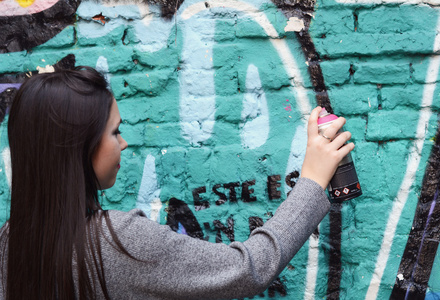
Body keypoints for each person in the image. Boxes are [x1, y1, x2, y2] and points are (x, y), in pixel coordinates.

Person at [0, 67, 354, 300]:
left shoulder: (9, 240)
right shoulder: (120, 241)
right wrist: (311, 179)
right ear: (79, 147)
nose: (123, 143)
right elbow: (249, 267)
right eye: (115, 131)